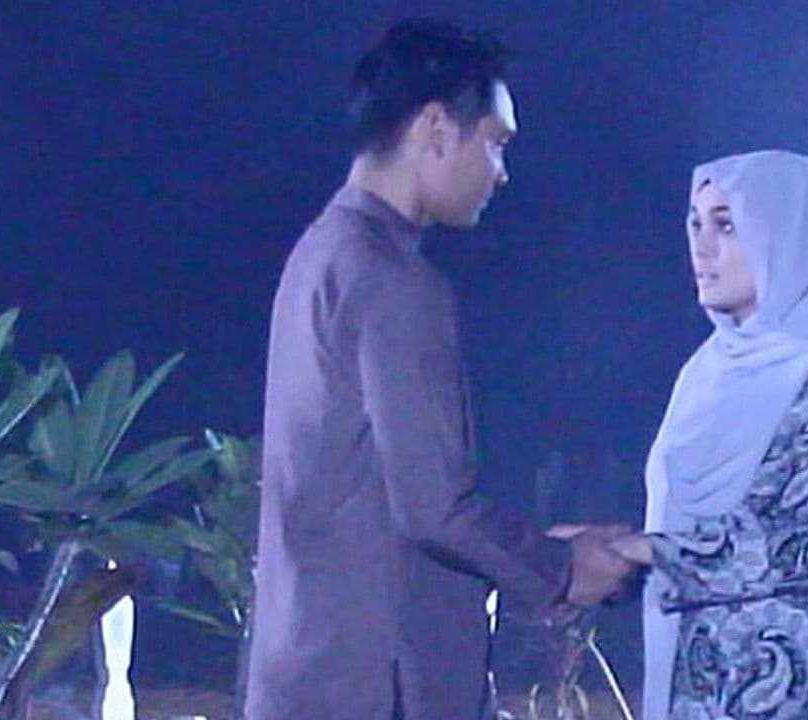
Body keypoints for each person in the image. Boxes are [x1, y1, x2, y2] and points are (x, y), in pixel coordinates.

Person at [244, 18, 636, 720]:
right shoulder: (393, 279)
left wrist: (540, 547)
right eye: (495, 142)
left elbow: (370, 496)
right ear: (435, 129)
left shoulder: (322, 253)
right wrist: (564, 571)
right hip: (381, 684)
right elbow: (433, 509)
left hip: (309, 672)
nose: (501, 171)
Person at [612, 150, 808, 719]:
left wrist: (640, 552)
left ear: (790, 238)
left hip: (792, 689)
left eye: (727, 226)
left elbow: (796, 547)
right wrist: (612, 556)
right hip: (697, 681)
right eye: (695, 223)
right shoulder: (706, 371)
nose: (701, 247)